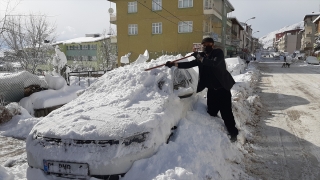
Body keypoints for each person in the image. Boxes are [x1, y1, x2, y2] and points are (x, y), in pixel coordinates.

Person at [165, 37, 239, 142]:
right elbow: (189, 64)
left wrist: (200, 57)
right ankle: (216, 125)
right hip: (212, 90)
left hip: (223, 89)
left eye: (208, 44)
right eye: (204, 44)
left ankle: (233, 133)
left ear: (213, 45)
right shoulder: (202, 56)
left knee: (226, 112)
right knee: (211, 111)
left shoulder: (218, 53)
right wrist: (174, 64)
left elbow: (214, 63)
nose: (206, 46)